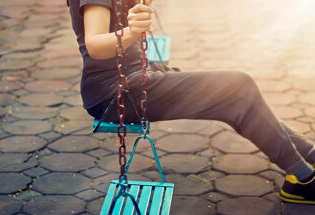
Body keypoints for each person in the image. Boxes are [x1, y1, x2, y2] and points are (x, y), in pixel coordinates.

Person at [68, 0, 315, 204]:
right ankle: (303, 181)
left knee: (234, 99)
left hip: (142, 77)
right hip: (116, 92)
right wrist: (132, 32)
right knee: (238, 85)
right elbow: (95, 45)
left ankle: (309, 156)